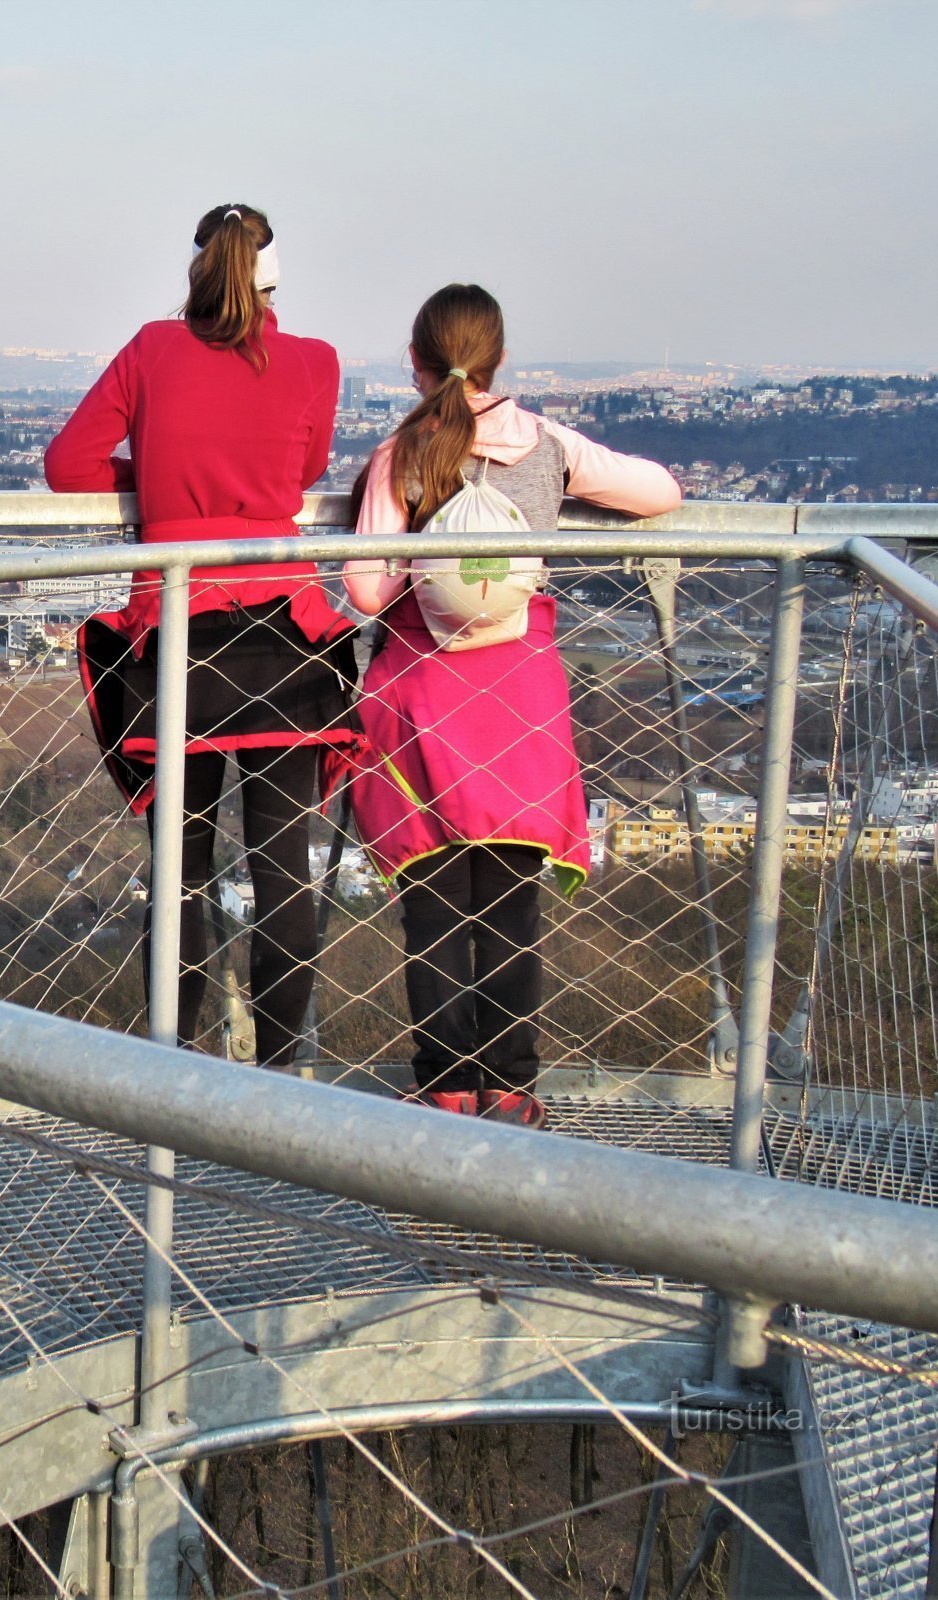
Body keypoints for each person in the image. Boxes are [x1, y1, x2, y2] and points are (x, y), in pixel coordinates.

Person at [343, 283, 681, 1125]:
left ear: (415, 362)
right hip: (520, 694)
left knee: (431, 899)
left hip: (421, 695)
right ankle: (512, 1087)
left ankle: (446, 1083)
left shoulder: (401, 454)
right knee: (507, 903)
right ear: (499, 358)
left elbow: (364, 589)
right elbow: (659, 493)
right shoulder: (546, 445)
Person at [46, 203, 362, 1069]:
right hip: (286, 632)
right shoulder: (313, 362)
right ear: (272, 283)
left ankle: (173, 1063)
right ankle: (279, 1069)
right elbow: (298, 477)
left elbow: (66, 465)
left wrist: (147, 468)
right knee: (282, 866)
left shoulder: (151, 349)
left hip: (179, 634)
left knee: (180, 873)